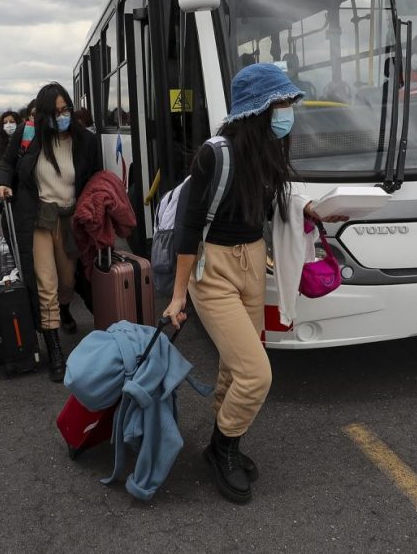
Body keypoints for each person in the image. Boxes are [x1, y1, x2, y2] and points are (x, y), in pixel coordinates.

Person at [161, 63, 349, 504]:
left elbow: (270, 209)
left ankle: (222, 444)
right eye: (281, 104)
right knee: (256, 374)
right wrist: (177, 295)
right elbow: (189, 230)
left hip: (250, 265)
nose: (288, 113)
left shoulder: (269, 152)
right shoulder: (215, 155)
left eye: (288, 104)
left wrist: (312, 212)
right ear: (258, 109)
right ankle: (223, 448)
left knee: (234, 367)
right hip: (213, 272)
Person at [0, 83, 103, 382]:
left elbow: (95, 178)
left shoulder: (85, 142)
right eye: (55, 112)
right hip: (39, 218)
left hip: (71, 220)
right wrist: (2, 185)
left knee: (68, 281)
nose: (62, 116)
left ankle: (65, 309)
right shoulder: (28, 136)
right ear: (42, 115)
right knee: (46, 283)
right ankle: (55, 350)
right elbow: (6, 165)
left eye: (66, 109)